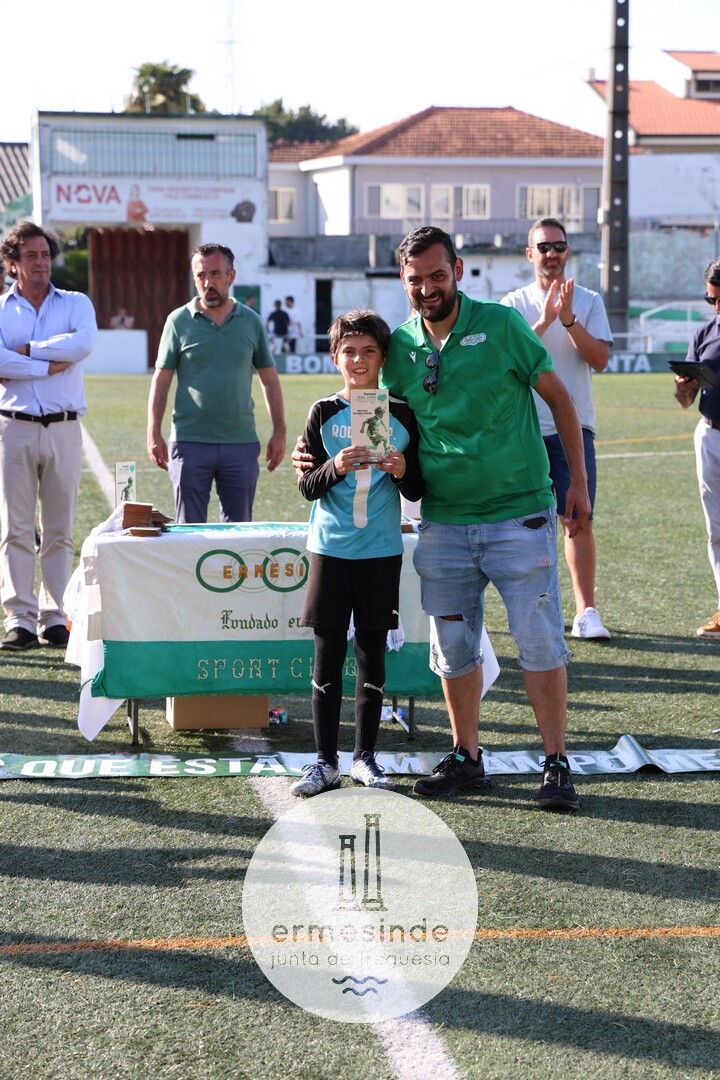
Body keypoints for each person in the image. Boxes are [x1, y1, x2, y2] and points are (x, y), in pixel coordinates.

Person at [293, 226, 590, 811]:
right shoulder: (398, 346)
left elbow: (560, 399)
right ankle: (466, 755)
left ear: (457, 269)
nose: (427, 288)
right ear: (402, 282)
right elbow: (361, 395)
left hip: (519, 515)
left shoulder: (502, 325)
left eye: (436, 275)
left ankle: (556, 761)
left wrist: (575, 481)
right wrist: (313, 451)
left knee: (539, 643)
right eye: (415, 280)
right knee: (453, 647)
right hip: (443, 521)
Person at [290, 309, 423, 797]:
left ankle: (365, 758)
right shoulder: (323, 412)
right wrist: (336, 467)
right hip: (330, 549)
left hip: (381, 550)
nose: (359, 360)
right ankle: (324, 762)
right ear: (334, 357)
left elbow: (419, 485)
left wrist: (402, 469)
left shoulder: (401, 413)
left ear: (383, 358)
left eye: (369, 351)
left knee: (371, 652)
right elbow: (307, 486)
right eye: (349, 351)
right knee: (327, 654)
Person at [502, 217, 613, 640]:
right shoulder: (513, 304)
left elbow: (600, 359)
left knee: (577, 518)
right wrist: (546, 320)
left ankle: (586, 612)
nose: (552, 254)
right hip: (523, 429)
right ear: (529, 254)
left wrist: (568, 320)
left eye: (559, 246)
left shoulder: (588, 300)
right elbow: (508, 360)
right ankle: (529, 609)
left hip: (573, 428)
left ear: (568, 251)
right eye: (544, 247)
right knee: (519, 523)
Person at [0, 221, 98, 652]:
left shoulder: (76, 302)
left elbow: (83, 344)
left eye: (45, 255)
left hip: (64, 427)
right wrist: (47, 365)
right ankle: (19, 619)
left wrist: (27, 352)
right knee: (15, 529)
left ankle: (55, 616)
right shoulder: (1, 309)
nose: (41, 262)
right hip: (13, 427)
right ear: (12, 264)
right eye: (31, 256)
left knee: (59, 530)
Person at [147, 243, 285, 524]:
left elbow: (269, 380)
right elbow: (161, 380)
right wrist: (153, 432)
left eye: (215, 274)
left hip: (241, 443)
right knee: (189, 535)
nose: (208, 282)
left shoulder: (251, 322)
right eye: (200, 275)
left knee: (238, 535)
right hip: (189, 442)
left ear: (231, 276)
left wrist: (279, 431)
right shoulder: (178, 321)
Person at [674, 257, 720, 636]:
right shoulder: (704, 334)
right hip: (710, 435)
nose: (716, 306)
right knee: (716, 529)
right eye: (711, 299)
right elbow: (685, 401)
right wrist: (683, 388)